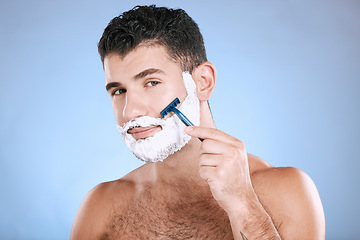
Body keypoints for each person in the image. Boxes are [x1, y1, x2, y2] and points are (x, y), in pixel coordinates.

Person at [70, 5, 325, 240]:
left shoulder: (288, 192)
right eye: (118, 91)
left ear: (203, 82)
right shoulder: (100, 207)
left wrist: (244, 205)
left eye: (151, 82)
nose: (130, 111)